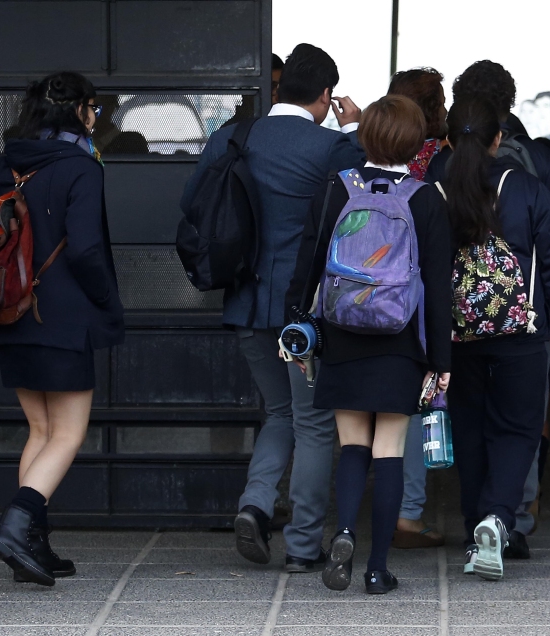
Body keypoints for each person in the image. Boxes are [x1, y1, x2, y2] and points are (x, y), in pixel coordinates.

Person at [181, 43, 365, 574]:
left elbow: (193, 203)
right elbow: (370, 202)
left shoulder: (233, 137)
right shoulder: (332, 147)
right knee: (312, 422)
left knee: (279, 413)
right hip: (305, 314)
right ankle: (304, 546)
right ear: (327, 96)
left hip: (245, 301)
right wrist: (353, 130)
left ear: (278, 87)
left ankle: (256, 504)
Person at [285, 95, 453, 594]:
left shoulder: (337, 189)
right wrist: (441, 362)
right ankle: (378, 569)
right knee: (390, 451)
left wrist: (295, 327)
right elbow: (439, 290)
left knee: (352, 445)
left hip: (342, 334)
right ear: (415, 143)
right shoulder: (426, 199)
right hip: (401, 342)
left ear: (366, 136)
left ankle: (341, 533)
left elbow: (309, 261)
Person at [0, 72, 125, 585]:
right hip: (64, 315)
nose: (96, 118)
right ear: (81, 111)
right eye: (96, 109)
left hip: (14, 308)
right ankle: (15, 527)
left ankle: (31, 550)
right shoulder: (80, 167)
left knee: (40, 430)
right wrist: (107, 298)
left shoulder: (12, 164)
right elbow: (84, 248)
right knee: (67, 432)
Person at [442, 97, 550, 580]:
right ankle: (499, 517)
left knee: (471, 429)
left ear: (448, 138)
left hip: (457, 335)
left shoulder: (435, 188)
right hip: (522, 330)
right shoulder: (524, 188)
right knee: (518, 428)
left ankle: (473, 525)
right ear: (499, 138)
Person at [384, 67, 449, 550]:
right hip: (420, 297)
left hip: (373, 297)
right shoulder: (438, 164)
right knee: (414, 407)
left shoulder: (364, 162)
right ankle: (408, 511)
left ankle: (367, 515)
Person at [388, 67, 449, 184]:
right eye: (442, 104)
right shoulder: (447, 155)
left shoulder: (375, 149)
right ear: (429, 110)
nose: (445, 111)